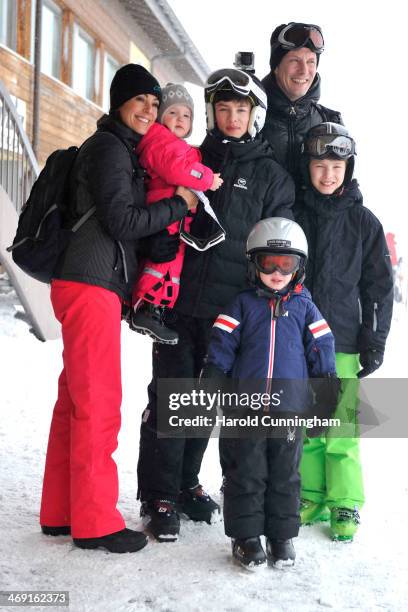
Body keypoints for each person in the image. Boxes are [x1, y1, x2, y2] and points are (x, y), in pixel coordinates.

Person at [39, 64, 197, 553]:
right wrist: (180, 204)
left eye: (156, 103)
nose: (150, 111)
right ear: (118, 103)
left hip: (85, 282)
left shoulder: (117, 147)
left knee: (75, 402)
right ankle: (95, 522)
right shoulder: (109, 148)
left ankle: (61, 511)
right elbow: (122, 220)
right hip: (91, 285)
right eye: (141, 101)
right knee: (99, 404)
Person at [137, 68, 296, 542]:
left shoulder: (272, 177)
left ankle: (186, 483)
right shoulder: (192, 157)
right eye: (223, 108)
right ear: (211, 112)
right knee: (172, 398)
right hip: (179, 303)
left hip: (232, 313)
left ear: (255, 115)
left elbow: (278, 248)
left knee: (205, 405)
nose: (231, 117)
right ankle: (159, 495)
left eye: (240, 109)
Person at [201, 217, 337, 569]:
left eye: (286, 264)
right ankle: (246, 536)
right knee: (245, 472)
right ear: (253, 264)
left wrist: (326, 391)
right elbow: (222, 343)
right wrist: (214, 375)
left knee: (285, 475)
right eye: (268, 263)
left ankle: (281, 534)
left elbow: (322, 347)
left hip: (289, 408)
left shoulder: (306, 307)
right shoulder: (241, 305)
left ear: (299, 267)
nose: (277, 272)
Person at [295, 122, 394, 541]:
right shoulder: (293, 214)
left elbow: (379, 287)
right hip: (297, 341)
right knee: (307, 426)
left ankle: (346, 503)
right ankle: (312, 494)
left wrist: (374, 339)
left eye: (337, 165)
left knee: (341, 427)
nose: (328, 173)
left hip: (344, 341)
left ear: (348, 168)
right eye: (320, 164)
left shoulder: (363, 222)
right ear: (309, 167)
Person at [130, 83, 223, 345]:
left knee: (170, 265)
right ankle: (146, 308)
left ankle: (155, 310)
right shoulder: (160, 140)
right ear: (160, 117)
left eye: (186, 115)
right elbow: (176, 170)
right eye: (173, 113)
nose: (180, 119)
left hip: (175, 217)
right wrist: (206, 178)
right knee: (161, 264)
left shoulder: (175, 145)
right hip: (165, 216)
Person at [261, 22, 342, 186]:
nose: (304, 71)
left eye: (311, 62)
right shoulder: (246, 117)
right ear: (276, 67)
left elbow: (344, 190)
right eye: (294, 60)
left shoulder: (330, 122)